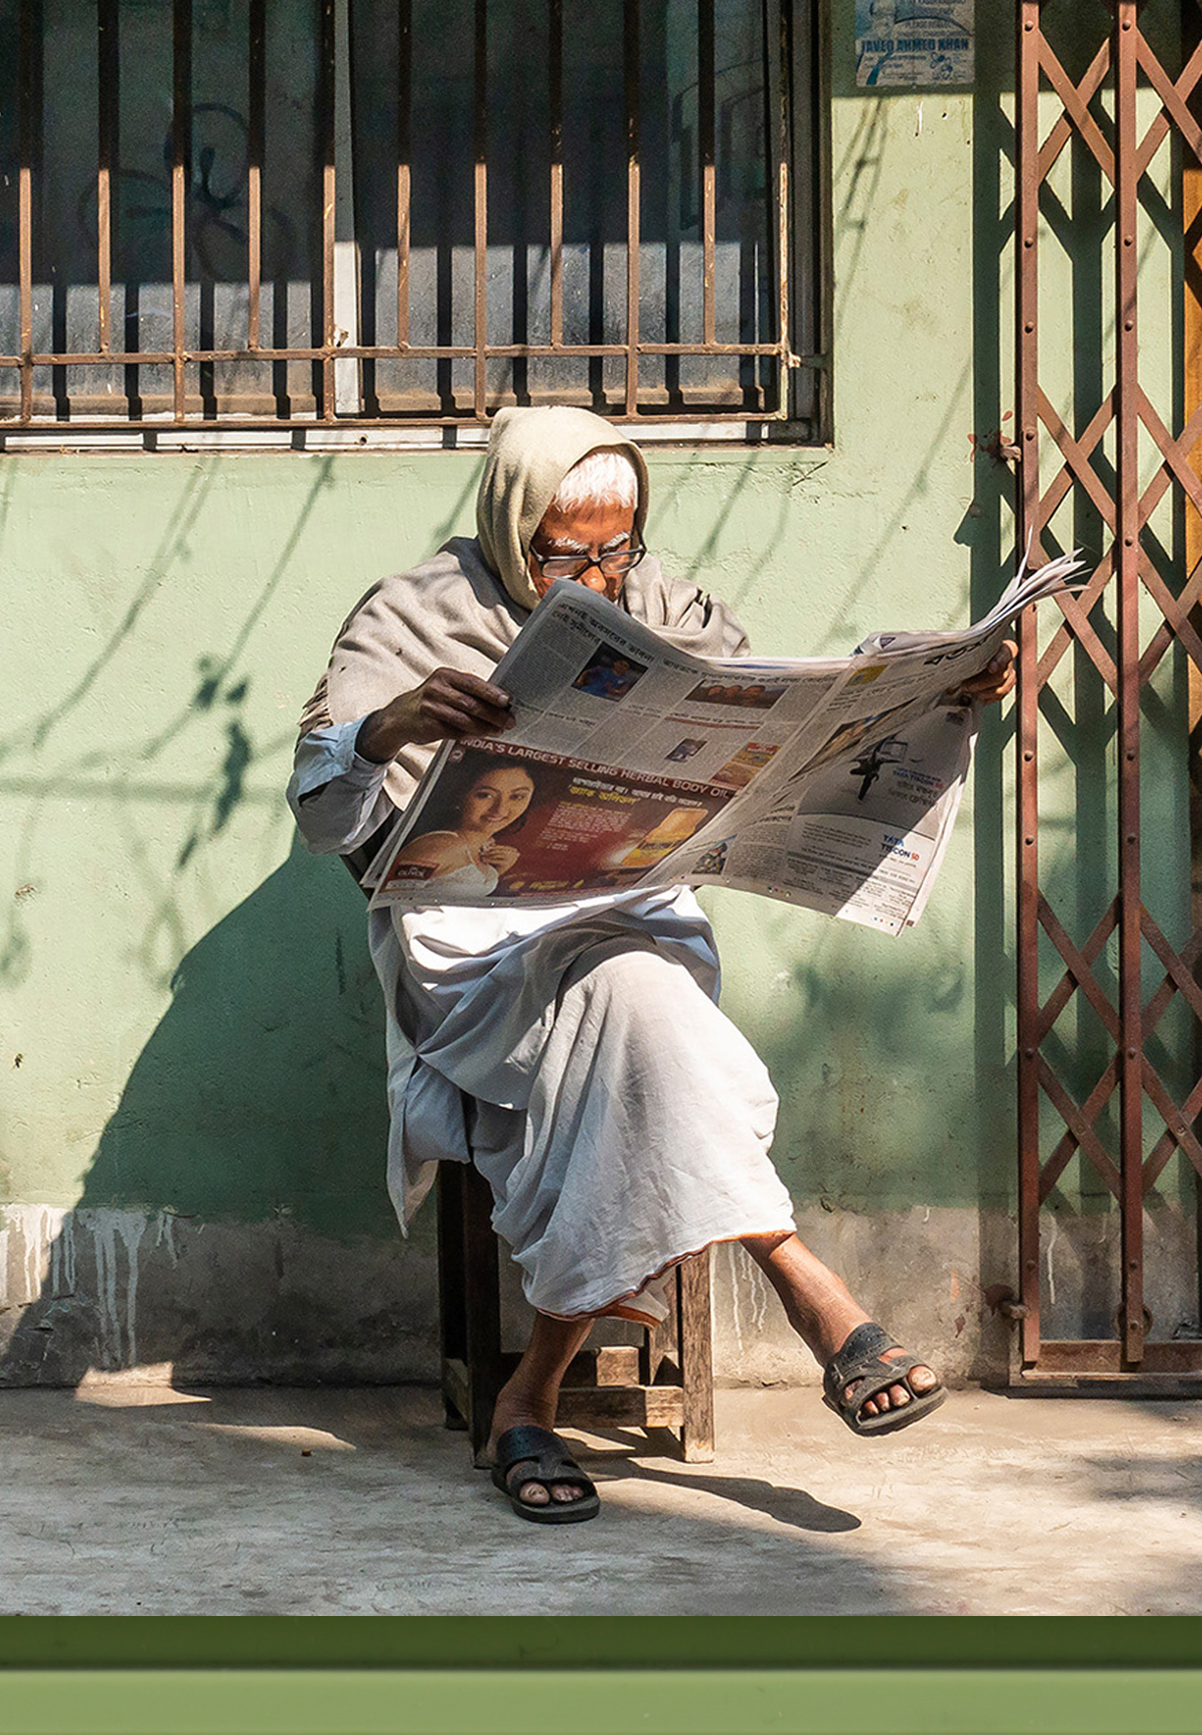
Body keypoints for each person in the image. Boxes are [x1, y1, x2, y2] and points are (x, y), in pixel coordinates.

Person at [288, 406, 1014, 1525]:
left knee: (634, 988)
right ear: (507, 516)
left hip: (630, 910)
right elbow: (322, 811)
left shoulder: (663, 599)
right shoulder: (410, 612)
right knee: (640, 1003)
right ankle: (807, 1287)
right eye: (560, 549)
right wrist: (383, 730)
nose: (593, 573)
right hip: (475, 951)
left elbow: (778, 736)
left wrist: (923, 702)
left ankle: (525, 1401)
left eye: (613, 547)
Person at [386, 760, 538, 897]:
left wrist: (498, 871)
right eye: (485, 795)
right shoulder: (438, 847)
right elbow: (389, 898)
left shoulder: (487, 845)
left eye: (517, 797)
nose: (500, 810)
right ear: (461, 795)